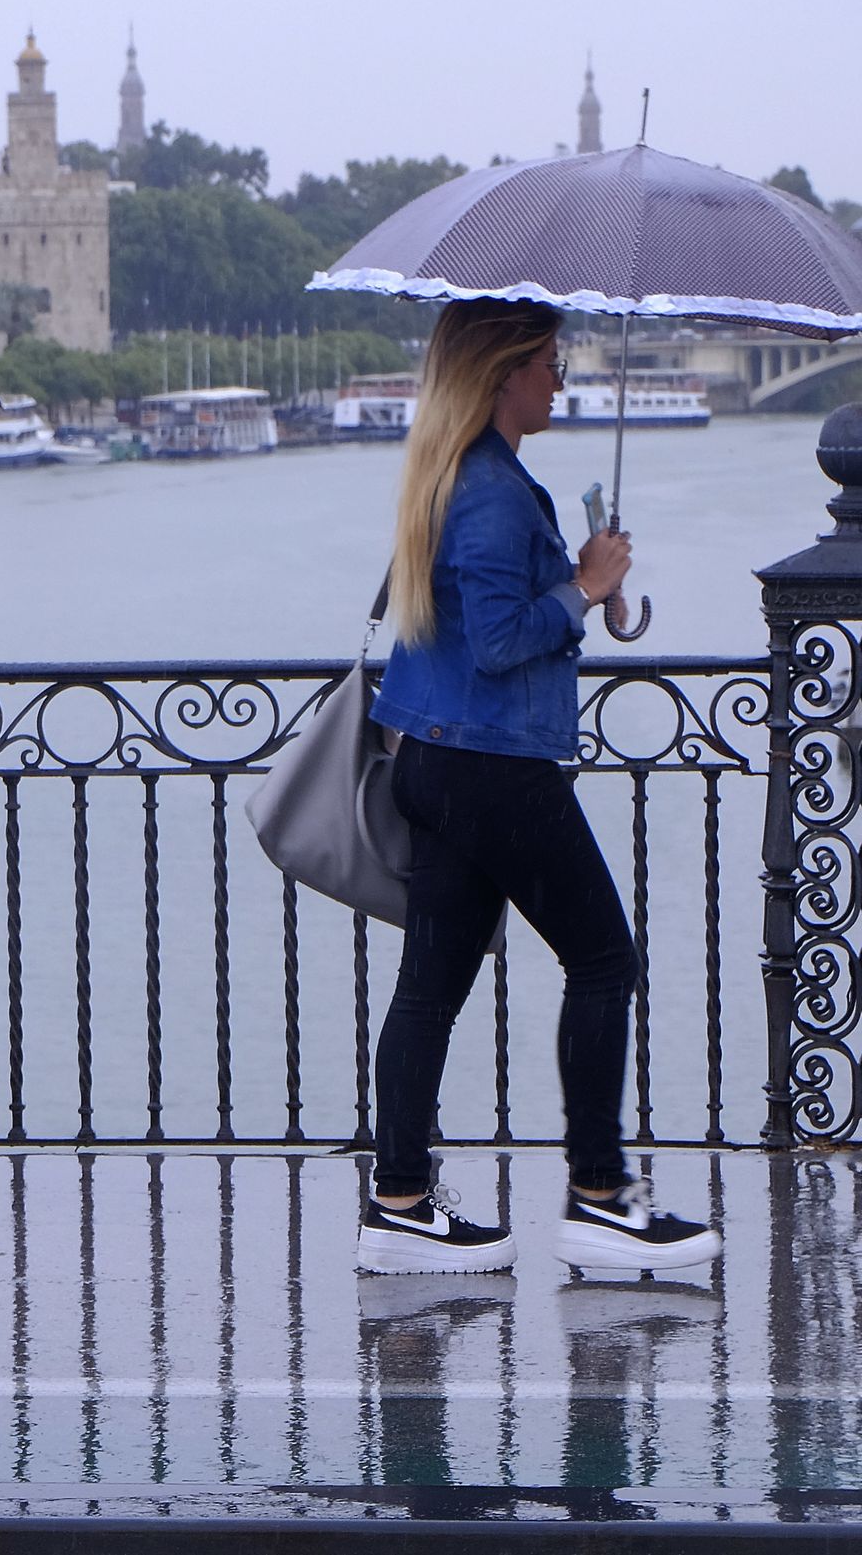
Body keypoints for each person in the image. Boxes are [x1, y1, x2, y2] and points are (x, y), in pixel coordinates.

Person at [354, 298, 722, 1277]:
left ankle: (398, 1205)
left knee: (428, 989)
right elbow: (501, 638)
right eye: (549, 362)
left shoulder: (469, 475)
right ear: (503, 372)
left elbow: (491, 614)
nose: (560, 378)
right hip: (487, 764)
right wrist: (586, 588)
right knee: (604, 959)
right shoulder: (487, 487)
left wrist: (576, 576)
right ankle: (599, 1196)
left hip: (437, 756)